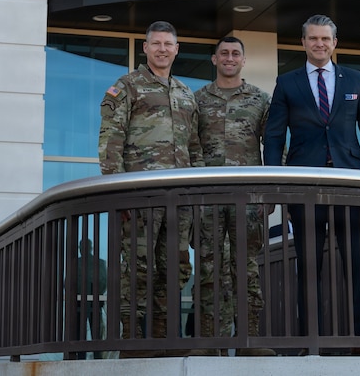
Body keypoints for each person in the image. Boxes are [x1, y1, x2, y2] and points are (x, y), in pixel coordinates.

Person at [264, 14, 360, 349]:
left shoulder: (355, 80)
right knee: (308, 267)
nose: (319, 44)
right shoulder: (287, 83)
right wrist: (275, 184)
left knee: (358, 265)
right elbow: (274, 136)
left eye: (325, 39)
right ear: (303, 43)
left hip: (350, 186)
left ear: (335, 43)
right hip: (304, 188)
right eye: (313, 39)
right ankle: (311, 340)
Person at [98, 21, 203, 355]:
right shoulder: (126, 87)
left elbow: (195, 148)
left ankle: (163, 341)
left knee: (175, 269)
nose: (162, 49)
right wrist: (117, 191)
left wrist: (198, 192)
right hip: (139, 196)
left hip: (179, 199)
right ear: (145, 48)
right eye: (156, 43)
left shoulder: (186, 94)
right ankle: (131, 342)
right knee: (137, 270)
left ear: (176, 49)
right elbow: (109, 141)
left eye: (168, 44)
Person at [194, 35, 275, 357]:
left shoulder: (260, 99)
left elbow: (274, 145)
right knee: (208, 268)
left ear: (243, 60)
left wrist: (270, 191)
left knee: (248, 268)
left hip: (248, 198)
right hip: (207, 197)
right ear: (214, 59)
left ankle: (249, 341)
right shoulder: (197, 99)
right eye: (223, 53)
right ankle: (209, 342)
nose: (229, 58)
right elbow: (189, 145)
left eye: (235, 54)